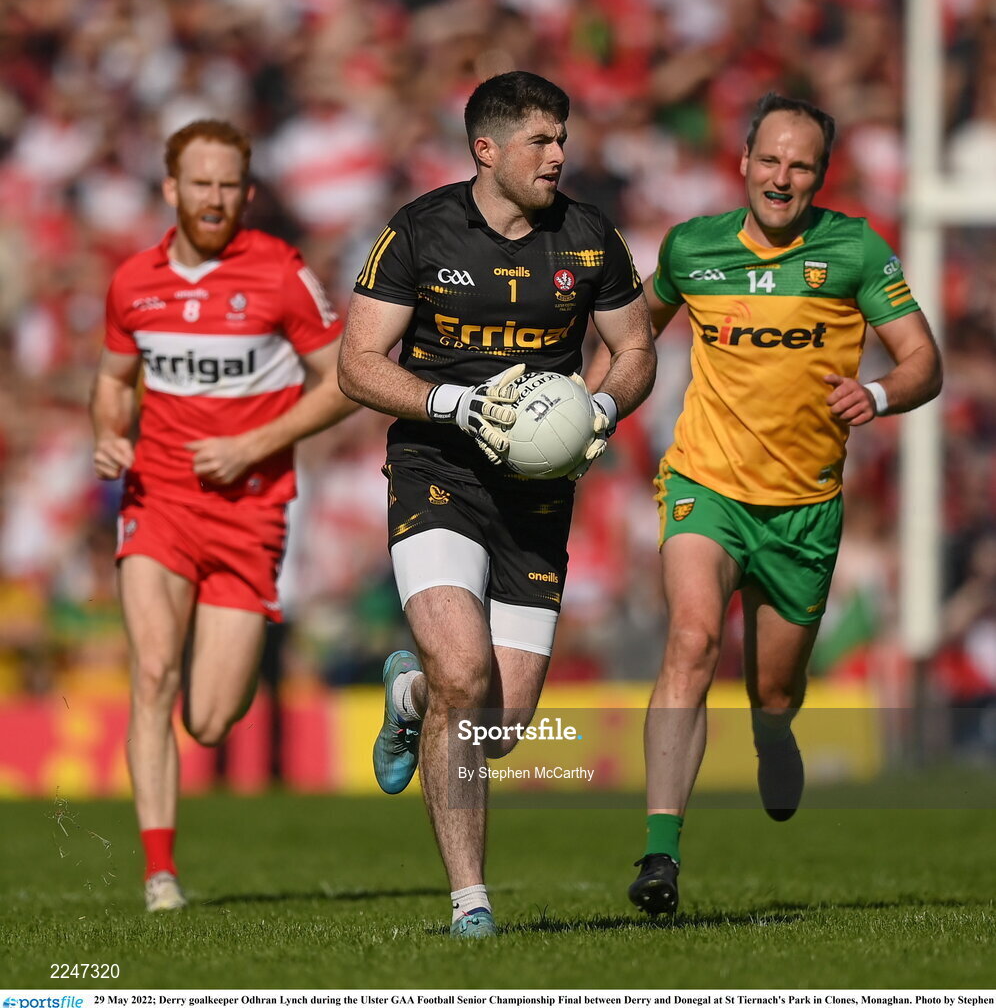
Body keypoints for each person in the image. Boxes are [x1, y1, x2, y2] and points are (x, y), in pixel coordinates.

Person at [337, 71, 656, 938]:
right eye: (541, 141)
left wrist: (601, 405)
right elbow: (358, 361)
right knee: (466, 674)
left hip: (538, 494)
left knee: (500, 727)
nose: (559, 155)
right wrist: (453, 404)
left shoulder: (590, 236)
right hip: (438, 468)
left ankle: (409, 699)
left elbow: (635, 348)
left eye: (563, 139)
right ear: (487, 149)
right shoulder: (420, 230)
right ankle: (470, 903)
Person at [629, 91, 942, 917]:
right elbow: (633, 337)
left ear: (820, 176)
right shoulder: (691, 248)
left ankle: (772, 729)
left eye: (800, 164)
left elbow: (923, 361)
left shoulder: (853, 251)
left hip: (803, 508)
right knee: (691, 639)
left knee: (772, 690)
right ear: (742, 162)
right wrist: (586, 411)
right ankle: (660, 852)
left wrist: (878, 390)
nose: (782, 176)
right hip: (706, 484)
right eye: (769, 158)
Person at [90, 119, 356, 912]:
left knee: (206, 721)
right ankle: (159, 873)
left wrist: (256, 444)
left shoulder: (279, 273)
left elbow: (343, 380)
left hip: (249, 513)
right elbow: (112, 380)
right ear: (172, 189)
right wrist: (107, 432)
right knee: (152, 674)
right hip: (159, 500)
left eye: (228, 185)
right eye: (199, 183)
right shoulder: (132, 281)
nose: (214, 198)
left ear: (247, 192)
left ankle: (175, 834)